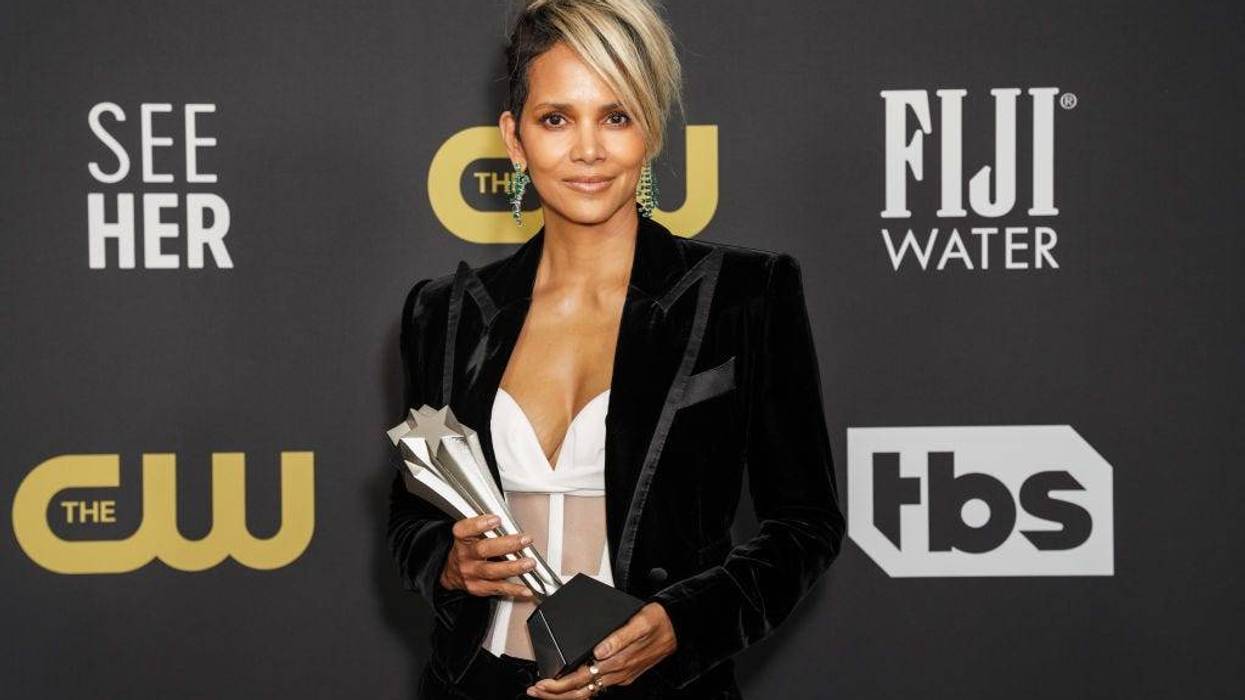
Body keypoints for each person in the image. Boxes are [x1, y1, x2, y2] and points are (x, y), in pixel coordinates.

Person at [386, 1, 845, 697]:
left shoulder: (742, 294)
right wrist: (447, 565)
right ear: (514, 139)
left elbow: (805, 525)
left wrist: (682, 622)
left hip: (660, 686)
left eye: (616, 116)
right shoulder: (444, 313)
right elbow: (412, 512)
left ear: (651, 131)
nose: (588, 150)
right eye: (555, 119)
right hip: (474, 682)